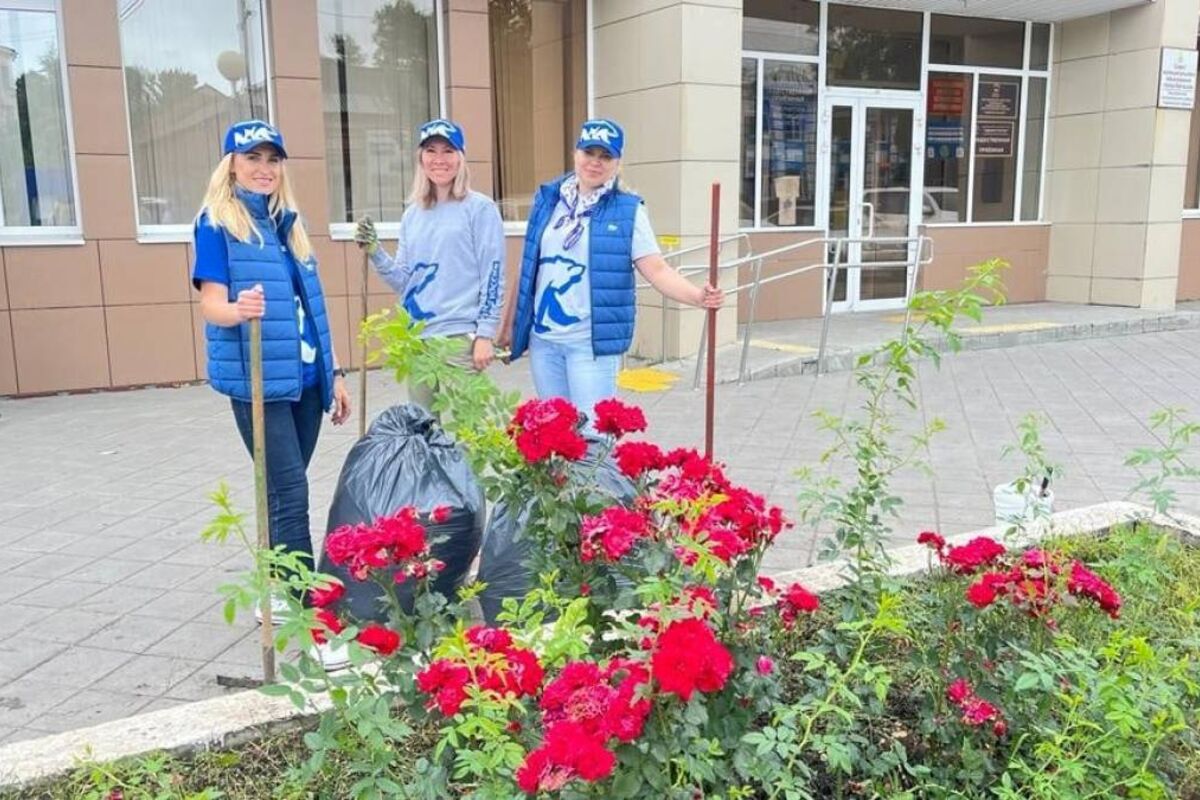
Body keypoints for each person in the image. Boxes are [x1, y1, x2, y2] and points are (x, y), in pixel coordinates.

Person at [192, 120, 351, 624]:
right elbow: (211, 305)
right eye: (252, 158)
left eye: (272, 160)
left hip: (303, 378)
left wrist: (335, 375)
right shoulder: (217, 223)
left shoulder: (288, 224)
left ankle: (275, 587)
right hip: (257, 378)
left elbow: (312, 309)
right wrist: (239, 309)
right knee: (289, 488)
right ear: (231, 165)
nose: (263, 169)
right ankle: (301, 600)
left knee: (285, 486)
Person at [499, 118, 724, 422]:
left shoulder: (629, 210)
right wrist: (511, 325)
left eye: (606, 156)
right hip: (544, 342)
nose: (595, 163)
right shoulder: (549, 199)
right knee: (554, 434)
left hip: (589, 346)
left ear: (618, 163)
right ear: (575, 153)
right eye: (589, 153)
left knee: (592, 438)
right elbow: (529, 267)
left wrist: (697, 296)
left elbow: (656, 270)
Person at [354, 118, 505, 411]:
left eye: (448, 151)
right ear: (420, 159)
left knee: (466, 436)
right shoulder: (413, 214)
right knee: (424, 432)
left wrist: (485, 334)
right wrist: (375, 251)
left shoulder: (480, 209)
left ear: (460, 158)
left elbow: (494, 275)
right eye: (431, 151)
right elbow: (404, 281)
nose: (439, 160)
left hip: (459, 339)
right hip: (418, 339)